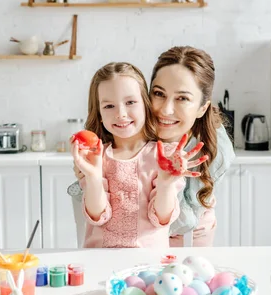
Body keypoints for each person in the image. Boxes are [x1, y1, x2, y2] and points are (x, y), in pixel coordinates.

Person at [69, 62, 208, 248]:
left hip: (148, 262)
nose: (121, 114)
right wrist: (93, 176)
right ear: (100, 114)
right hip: (99, 258)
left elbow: (161, 218)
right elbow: (98, 217)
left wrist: (166, 184)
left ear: (145, 104)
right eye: (109, 106)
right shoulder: (95, 157)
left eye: (130, 102)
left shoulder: (164, 156)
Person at [149, 46, 236, 247]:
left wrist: (169, 179)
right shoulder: (134, 136)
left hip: (192, 239)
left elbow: (183, 222)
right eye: (159, 93)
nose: (165, 109)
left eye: (182, 98)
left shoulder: (215, 149)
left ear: (202, 108)